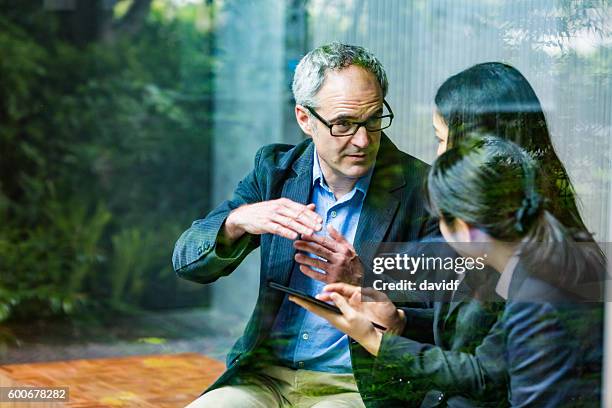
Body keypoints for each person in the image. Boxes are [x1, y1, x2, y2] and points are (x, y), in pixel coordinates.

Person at [290, 62, 604, 407]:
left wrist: (380, 338)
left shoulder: (541, 276)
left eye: (441, 140)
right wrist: (400, 322)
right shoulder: (524, 240)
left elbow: (486, 375)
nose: (438, 157)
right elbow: (477, 352)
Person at [172, 42, 434, 407]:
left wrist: (365, 282)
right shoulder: (275, 171)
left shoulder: (423, 189)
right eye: (343, 124)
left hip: (358, 384)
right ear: (304, 119)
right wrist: (237, 221)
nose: (362, 140)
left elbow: (448, 313)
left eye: (373, 119)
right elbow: (187, 262)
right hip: (264, 376)